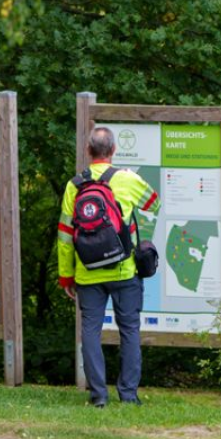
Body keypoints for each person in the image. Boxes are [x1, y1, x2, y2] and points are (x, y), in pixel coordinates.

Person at [58, 127, 161, 408]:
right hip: (124, 269)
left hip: (87, 272)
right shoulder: (126, 179)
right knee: (129, 329)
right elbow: (155, 203)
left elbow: (65, 236)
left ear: (88, 151)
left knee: (90, 331)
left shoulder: (74, 184)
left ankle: (98, 396)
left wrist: (66, 276)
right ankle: (128, 395)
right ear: (113, 150)